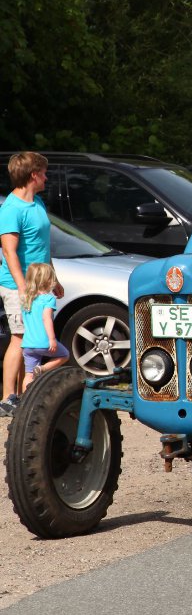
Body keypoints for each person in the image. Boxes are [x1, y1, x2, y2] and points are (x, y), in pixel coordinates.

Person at [0, 151, 58, 416]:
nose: (46, 177)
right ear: (33, 175)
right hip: (17, 285)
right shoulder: (11, 209)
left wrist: (53, 279)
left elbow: (43, 246)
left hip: (40, 284)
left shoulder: (37, 203)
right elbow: (10, 252)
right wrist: (23, 287)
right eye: (44, 173)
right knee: (20, 337)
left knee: (33, 338)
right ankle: (7, 397)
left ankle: (25, 394)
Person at [19, 262, 69, 392]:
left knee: (29, 375)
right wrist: (52, 339)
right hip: (43, 342)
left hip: (27, 344)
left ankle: (24, 403)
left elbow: (22, 319)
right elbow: (46, 318)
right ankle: (42, 369)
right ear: (48, 281)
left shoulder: (26, 299)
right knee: (64, 355)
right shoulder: (48, 299)